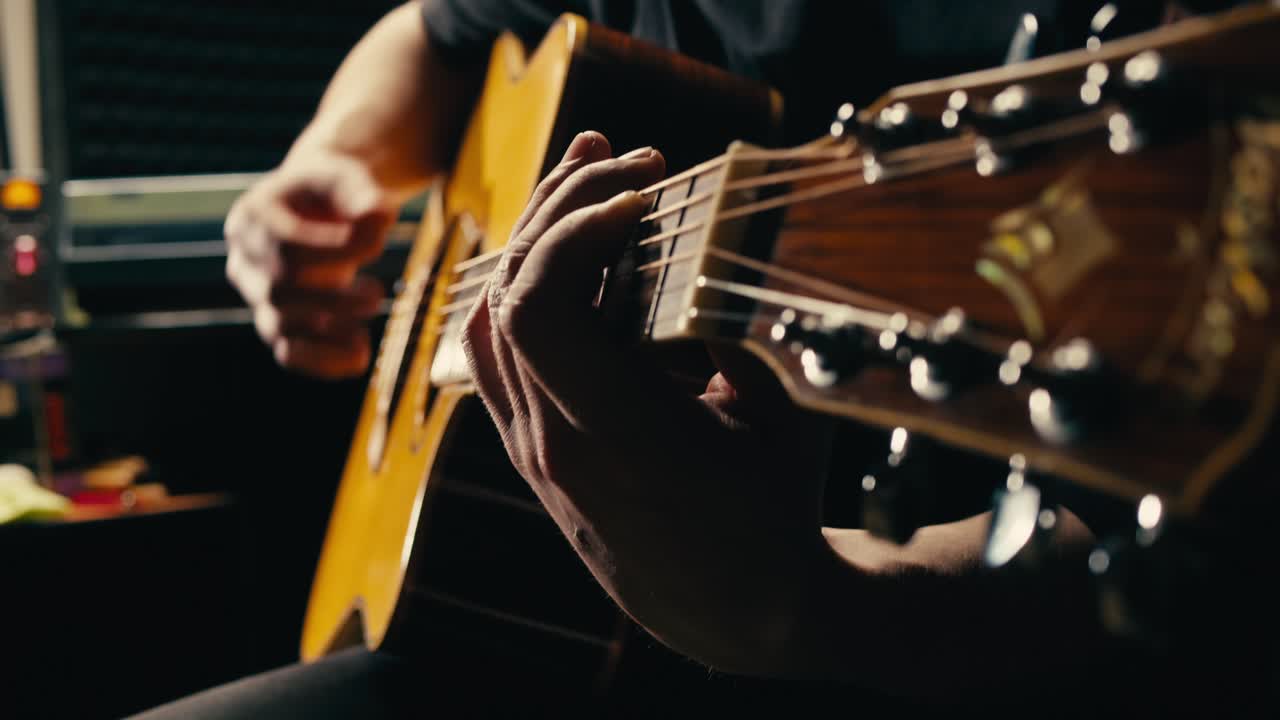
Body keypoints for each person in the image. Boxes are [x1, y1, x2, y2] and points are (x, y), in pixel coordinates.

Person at [142, 1, 1267, 717]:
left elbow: (1214, 544)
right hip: (548, 634)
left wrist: (807, 610)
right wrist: (328, 158)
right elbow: (435, 35)